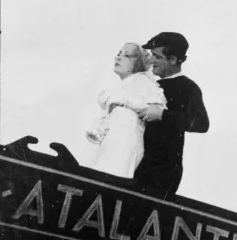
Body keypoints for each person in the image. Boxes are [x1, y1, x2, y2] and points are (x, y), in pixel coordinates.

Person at [134, 32, 209, 198]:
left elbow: (201, 123)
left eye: (157, 57)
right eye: (151, 55)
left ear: (173, 60)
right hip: (135, 162)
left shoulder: (187, 87)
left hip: (161, 172)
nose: (151, 61)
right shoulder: (148, 83)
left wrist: (162, 114)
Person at [87, 43, 167, 178]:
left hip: (126, 141)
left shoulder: (144, 81)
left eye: (127, 55)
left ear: (138, 63)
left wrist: (131, 105)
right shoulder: (125, 84)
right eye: (119, 54)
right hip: (112, 141)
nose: (118, 58)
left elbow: (159, 110)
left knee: (112, 180)